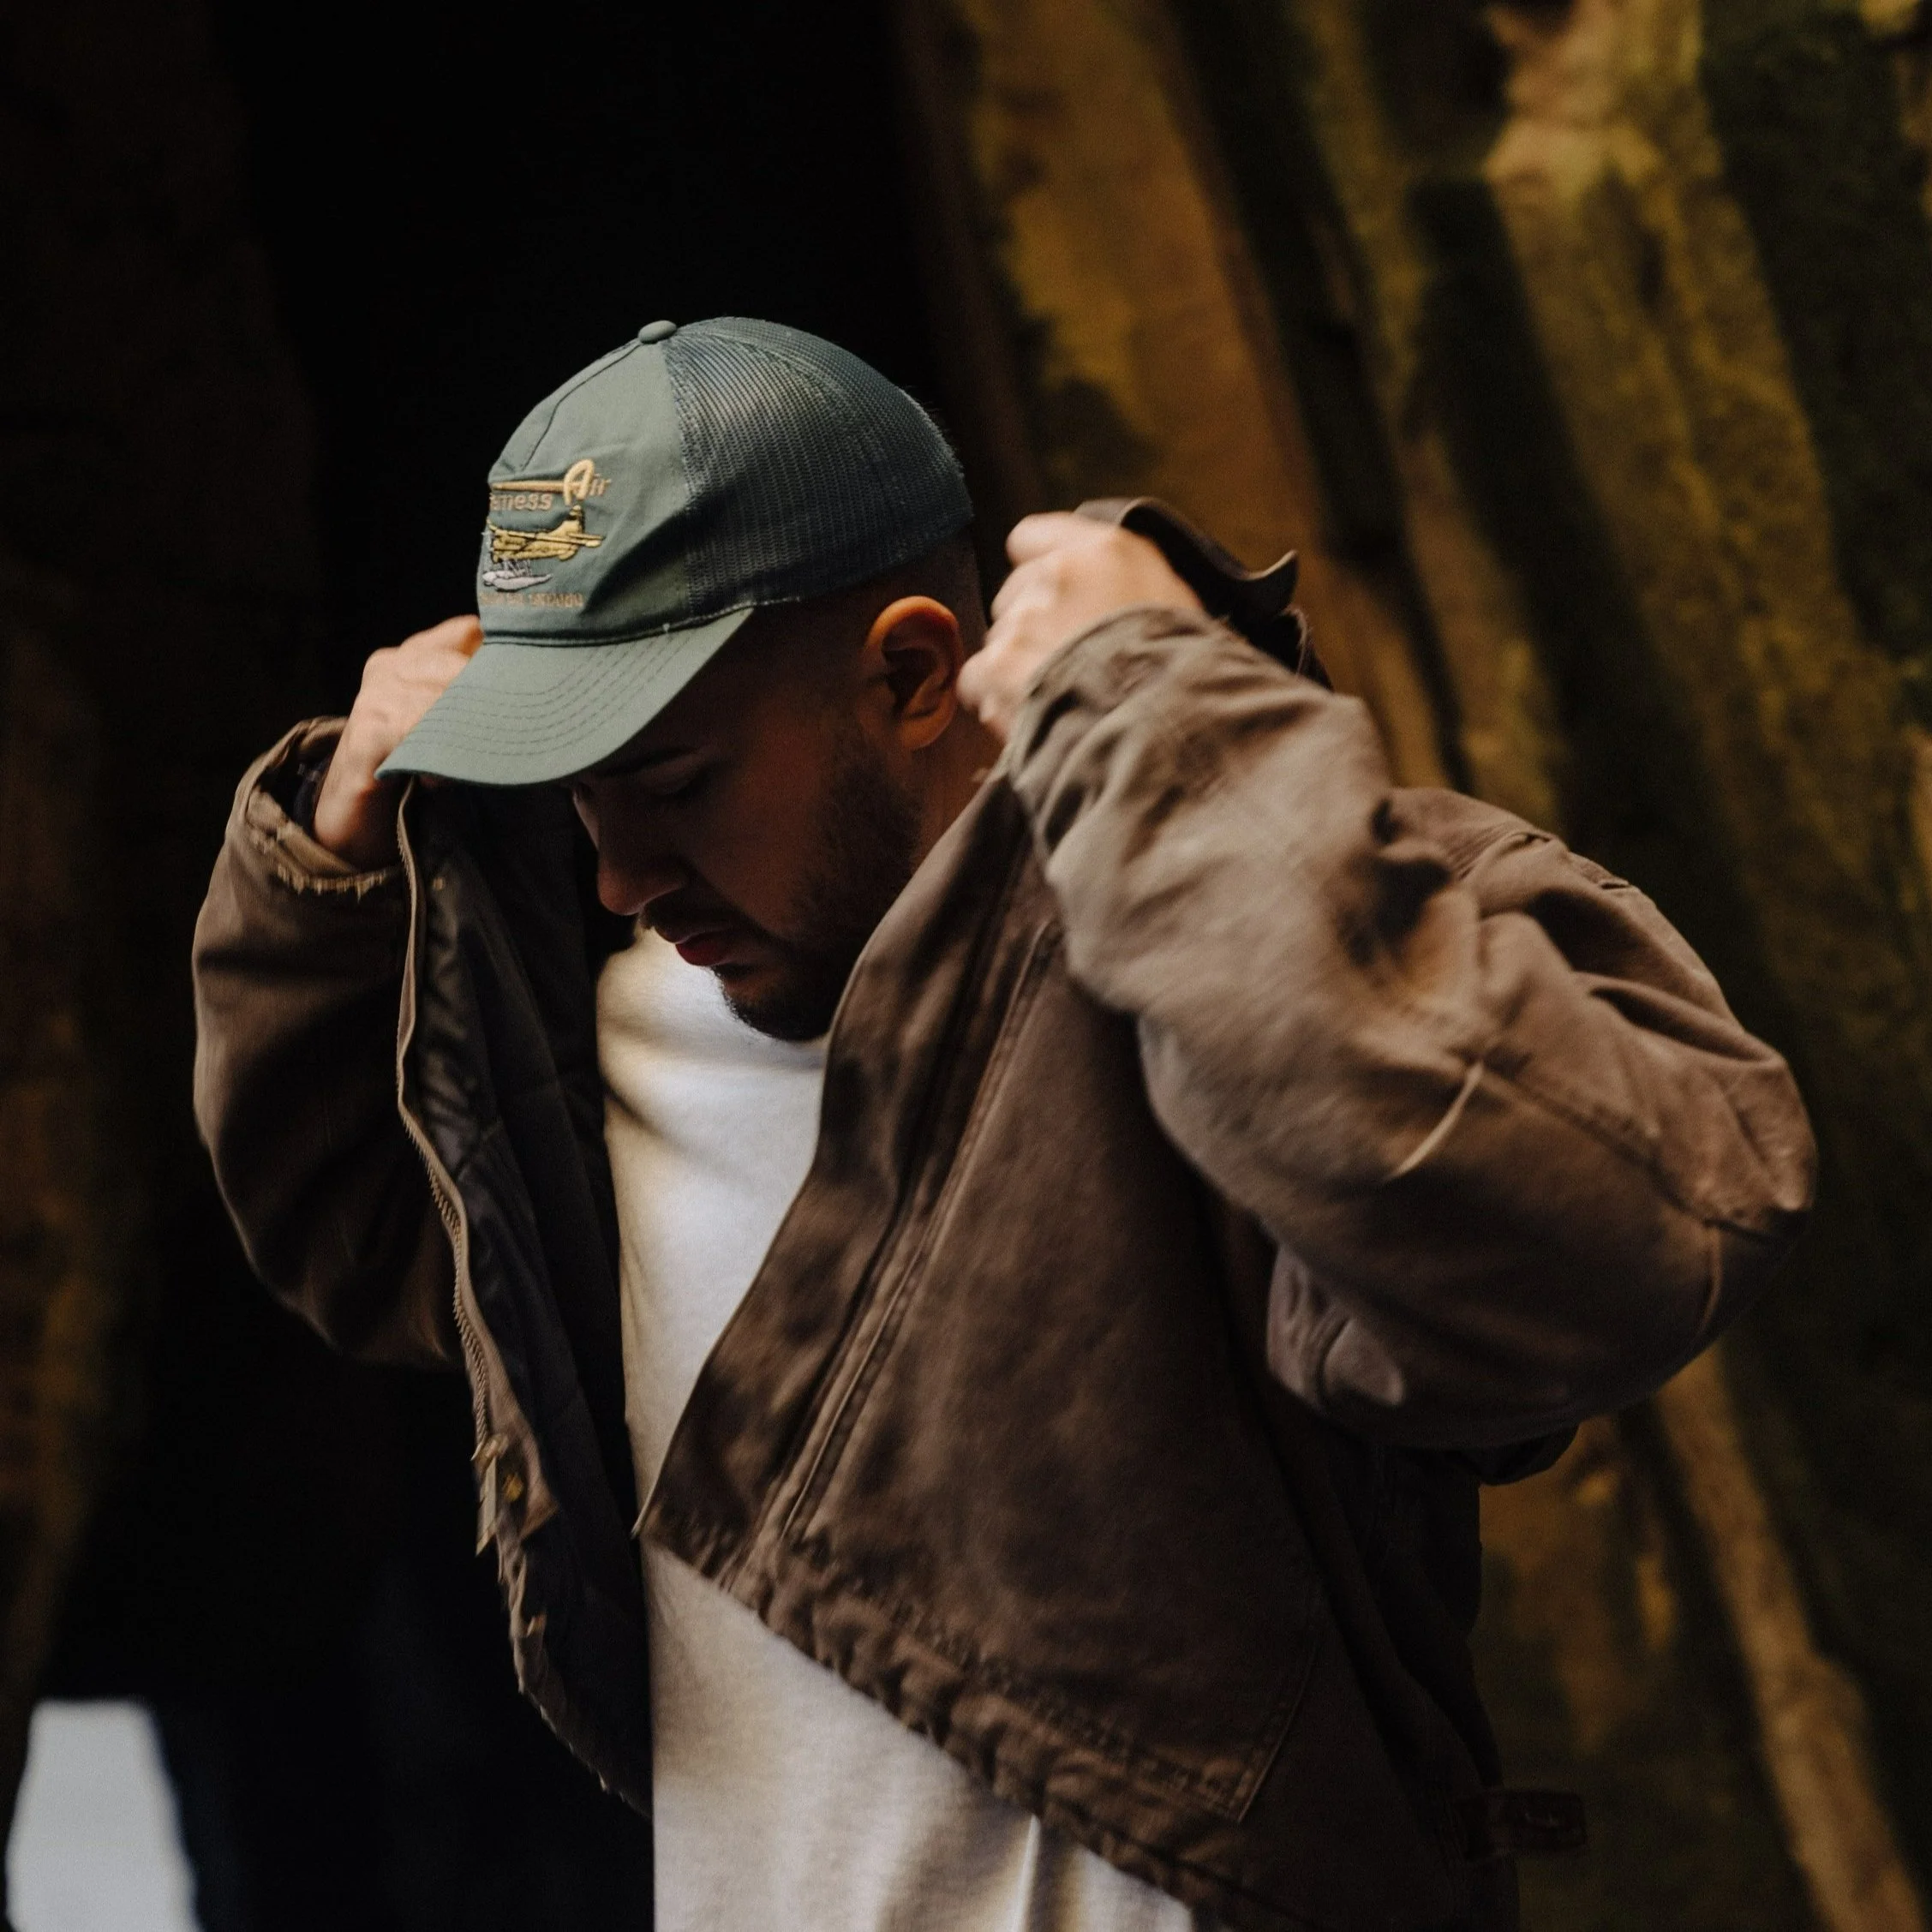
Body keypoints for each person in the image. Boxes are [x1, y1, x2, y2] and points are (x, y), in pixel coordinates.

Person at [191, 317, 1815, 1932]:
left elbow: (1615, 1239)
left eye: (674, 780)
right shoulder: (593, 1037)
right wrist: (327, 880)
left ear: (909, 671)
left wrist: (1160, 718)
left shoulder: (1262, 909)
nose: (618, 877)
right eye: (580, 795)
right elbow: (361, 1236)